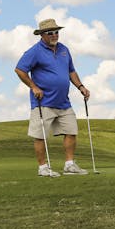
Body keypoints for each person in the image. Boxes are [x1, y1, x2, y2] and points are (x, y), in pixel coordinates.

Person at [14, 18, 91, 177]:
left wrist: (81, 87)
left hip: (63, 102)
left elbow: (71, 71)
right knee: (40, 135)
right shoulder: (35, 51)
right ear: (42, 35)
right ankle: (43, 168)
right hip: (43, 102)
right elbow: (20, 70)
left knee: (71, 131)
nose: (55, 35)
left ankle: (69, 165)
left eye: (56, 32)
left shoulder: (64, 49)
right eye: (51, 33)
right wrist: (34, 86)